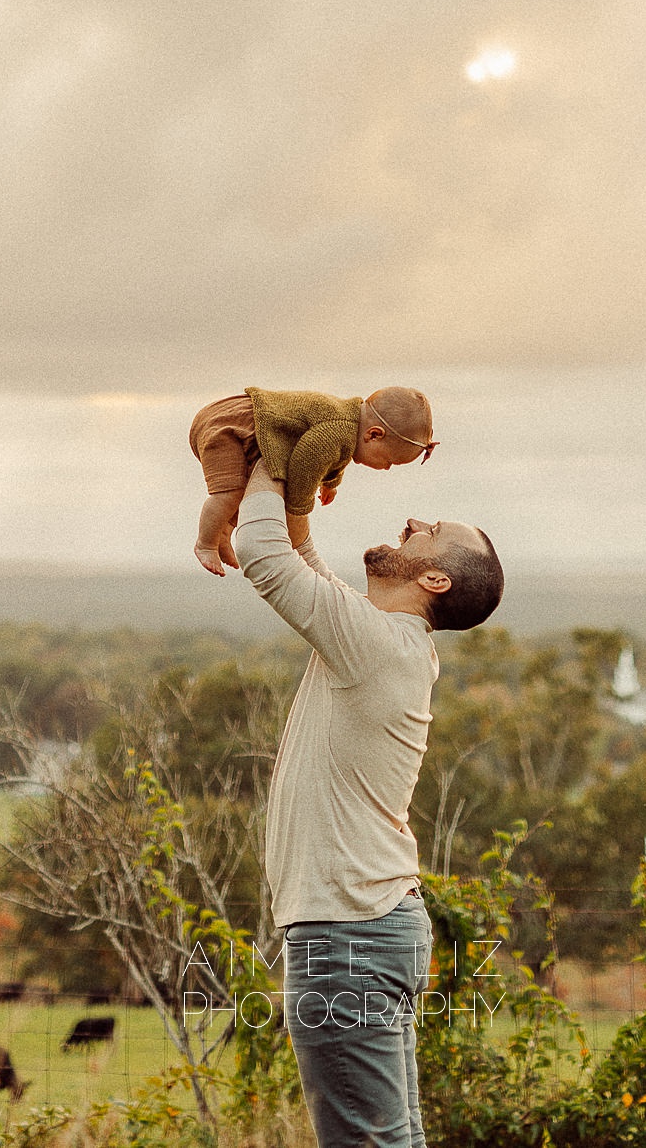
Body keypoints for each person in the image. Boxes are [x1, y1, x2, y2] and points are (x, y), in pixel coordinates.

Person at [233, 455, 503, 1148]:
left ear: (435, 578)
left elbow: (263, 553)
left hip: (347, 933)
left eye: (432, 530)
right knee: (388, 1138)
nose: (413, 521)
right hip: (365, 924)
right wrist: (300, 479)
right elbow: (303, 558)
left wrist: (269, 452)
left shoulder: (378, 646)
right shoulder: (381, 639)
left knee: (369, 1142)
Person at [189, 384, 435, 574]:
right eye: (390, 461)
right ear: (374, 435)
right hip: (230, 426)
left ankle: (222, 534)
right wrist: (297, 509)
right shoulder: (336, 430)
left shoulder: (347, 426)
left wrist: (330, 483)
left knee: (244, 492)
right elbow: (306, 464)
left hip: (243, 424)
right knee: (229, 492)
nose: (387, 469)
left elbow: (335, 456)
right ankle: (206, 543)